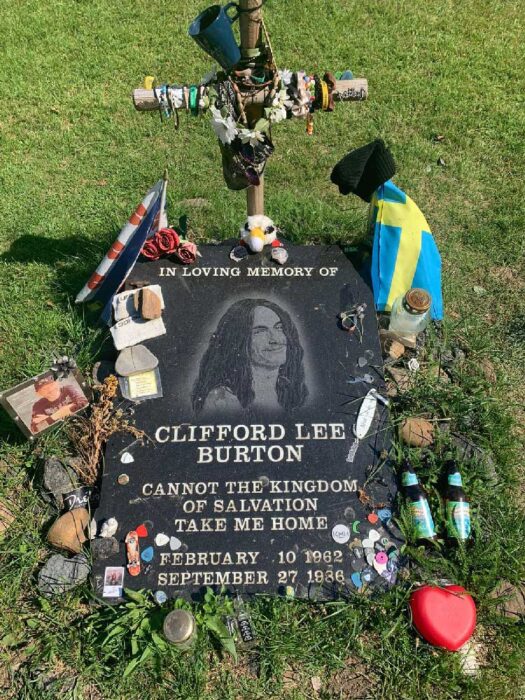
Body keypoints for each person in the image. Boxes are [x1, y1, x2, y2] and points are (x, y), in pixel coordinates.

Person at [192, 298, 308, 415]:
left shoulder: (289, 389)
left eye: (279, 327)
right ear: (239, 341)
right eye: (260, 331)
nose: (275, 339)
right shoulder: (223, 399)